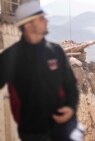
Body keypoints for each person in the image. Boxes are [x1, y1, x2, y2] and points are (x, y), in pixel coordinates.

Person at [0, 1, 83, 141]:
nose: (46, 20)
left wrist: (71, 108)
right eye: (41, 18)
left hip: (62, 127)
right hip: (32, 132)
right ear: (28, 25)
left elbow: (71, 85)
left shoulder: (56, 52)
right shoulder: (10, 57)